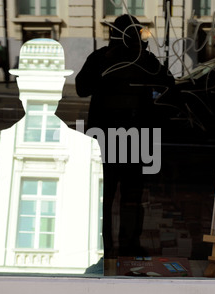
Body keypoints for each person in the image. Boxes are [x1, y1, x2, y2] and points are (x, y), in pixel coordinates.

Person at [75, 14, 175, 258]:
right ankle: (122, 246)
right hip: (124, 141)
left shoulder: (105, 58)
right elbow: (169, 86)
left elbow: (80, 88)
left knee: (108, 198)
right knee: (123, 197)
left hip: (111, 141)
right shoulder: (134, 59)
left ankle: (111, 247)